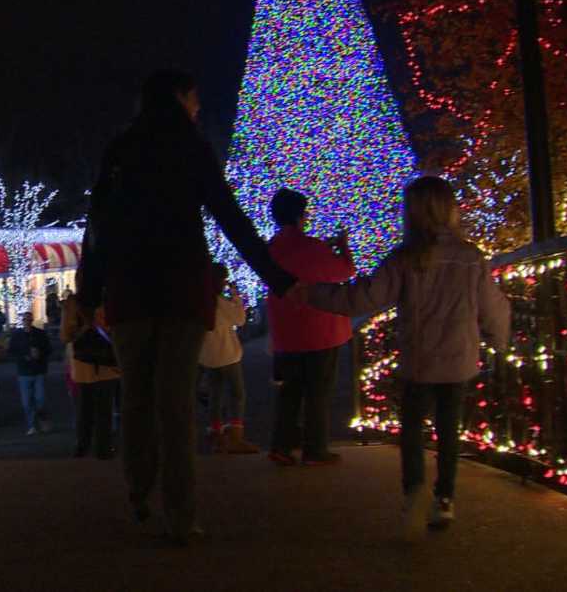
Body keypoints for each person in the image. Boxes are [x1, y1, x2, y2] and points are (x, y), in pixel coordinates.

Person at [78, 69, 297, 546]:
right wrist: (275, 277)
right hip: (180, 289)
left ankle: (138, 491)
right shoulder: (190, 146)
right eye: (194, 99)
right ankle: (181, 514)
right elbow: (229, 215)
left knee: (137, 396)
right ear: (179, 98)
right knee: (175, 403)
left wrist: (88, 292)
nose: (198, 107)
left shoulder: (121, 148)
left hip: (129, 290)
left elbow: (97, 226)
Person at [307, 177, 510, 538]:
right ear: (449, 209)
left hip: (418, 360)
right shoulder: (471, 257)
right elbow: (492, 307)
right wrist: (500, 340)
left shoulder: (404, 259)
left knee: (413, 430)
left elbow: (364, 298)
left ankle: (414, 490)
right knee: (449, 430)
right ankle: (445, 499)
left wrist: (312, 295)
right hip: (459, 359)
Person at [265, 188, 357, 467]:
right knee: (318, 392)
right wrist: (341, 247)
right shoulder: (313, 247)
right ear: (299, 215)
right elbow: (346, 271)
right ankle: (315, 449)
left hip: (286, 332)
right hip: (321, 330)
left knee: (290, 391)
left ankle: (282, 446)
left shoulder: (270, 249)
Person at [199, 264, 258, 454]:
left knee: (215, 395)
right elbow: (240, 319)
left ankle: (215, 435)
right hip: (228, 355)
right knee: (237, 395)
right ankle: (235, 436)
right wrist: (236, 297)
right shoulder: (220, 302)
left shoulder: (199, 300)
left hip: (207, 356)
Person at [61, 286, 119, 459]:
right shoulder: (110, 299)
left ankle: (82, 446)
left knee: (84, 408)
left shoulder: (74, 303)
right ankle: (103, 448)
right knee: (105, 408)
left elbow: (66, 336)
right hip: (108, 362)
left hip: (82, 363)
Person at [7, 311, 51, 435]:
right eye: (25, 320)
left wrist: (40, 354)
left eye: (29, 320)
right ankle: (32, 425)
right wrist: (23, 357)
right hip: (24, 372)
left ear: (32, 321)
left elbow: (48, 349)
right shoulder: (17, 336)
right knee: (27, 402)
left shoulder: (40, 334)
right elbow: (11, 352)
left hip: (38, 371)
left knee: (40, 399)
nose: (27, 322)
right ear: (23, 321)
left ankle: (42, 419)